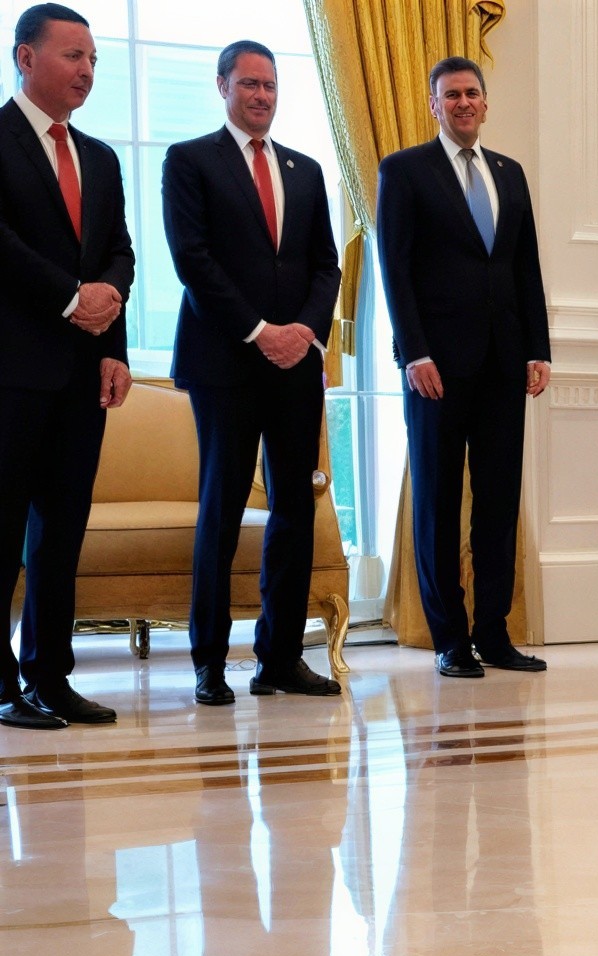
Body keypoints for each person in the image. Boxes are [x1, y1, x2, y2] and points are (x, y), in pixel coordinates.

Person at [163, 39, 342, 706]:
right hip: (225, 363)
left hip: (295, 364)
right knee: (223, 506)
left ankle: (281, 658)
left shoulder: (305, 169)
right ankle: (209, 663)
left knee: (294, 507)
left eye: (269, 85)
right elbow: (193, 259)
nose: (261, 95)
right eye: (249, 84)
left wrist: (303, 333)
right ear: (223, 87)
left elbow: (326, 265)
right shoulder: (190, 161)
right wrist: (260, 331)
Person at [376, 55, 551, 680]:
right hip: (436, 369)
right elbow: (394, 266)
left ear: (484, 102)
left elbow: (525, 263)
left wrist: (538, 348)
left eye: (472, 93)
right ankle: (449, 638)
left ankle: (494, 633)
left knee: (499, 502)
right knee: (439, 502)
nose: (464, 103)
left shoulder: (509, 172)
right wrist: (414, 352)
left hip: (505, 362)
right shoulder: (404, 170)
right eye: (451, 95)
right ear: (434, 104)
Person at [0, 2, 131, 729]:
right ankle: (2, 686)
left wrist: (113, 346)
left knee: (61, 532)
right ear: (26, 58)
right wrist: (70, 296)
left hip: (82, 373)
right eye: (72, 55)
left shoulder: (101, 157)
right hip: (12, 371)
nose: (86, 71)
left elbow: (119, 251)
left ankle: (50, 676)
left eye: (93, 60)